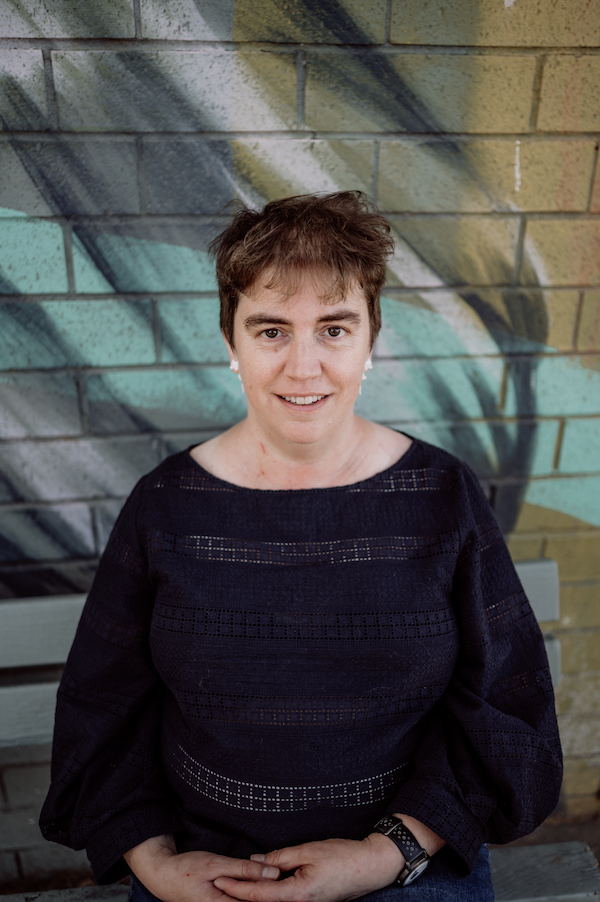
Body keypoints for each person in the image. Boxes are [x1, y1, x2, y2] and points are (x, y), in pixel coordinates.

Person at [41, 192, 562, 902]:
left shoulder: (442, 497)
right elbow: (104, 707)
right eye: (272, 331)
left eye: (334, 329)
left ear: (371, 339)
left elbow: (505, 702)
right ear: (231, 342)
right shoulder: (165, 506)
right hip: (207, 869)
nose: (304, 366)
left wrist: (388, 852)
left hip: (405, 865)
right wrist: (155, 862)